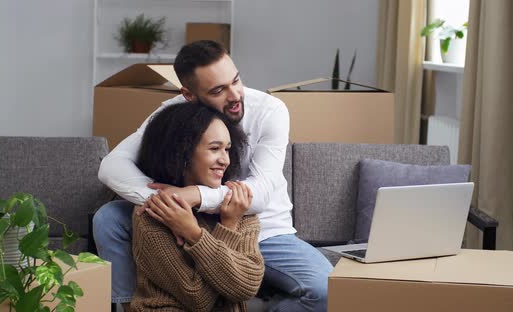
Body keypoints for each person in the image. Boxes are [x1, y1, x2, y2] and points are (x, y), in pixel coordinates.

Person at [94, 40, 333, 312]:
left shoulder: (270, 111)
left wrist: (194, 196)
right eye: (218, 90)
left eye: (236, 81)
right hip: (184, 224)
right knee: (109, 217)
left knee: (327, 291)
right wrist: (167, 205)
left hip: (261, 231)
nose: (234, 96)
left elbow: (261, 193)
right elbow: (112, 165)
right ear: (189, 94)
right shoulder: (172, 113)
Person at [130, 103, 263, 311]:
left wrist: (195, 233)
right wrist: (217, 232)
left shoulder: (236, 207)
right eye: (214, 148)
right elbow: (197, 298)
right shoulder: (154, 213)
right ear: (181, 152)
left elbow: (246, 287)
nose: (225, 160)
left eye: (227, 149)